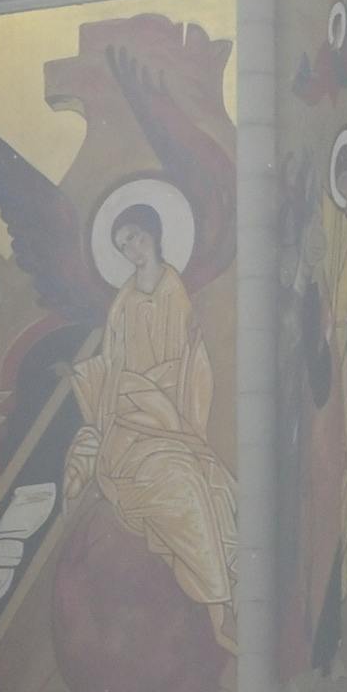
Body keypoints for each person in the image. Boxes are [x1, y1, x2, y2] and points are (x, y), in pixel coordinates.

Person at [68, 195, 238, 647]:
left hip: (167, 418)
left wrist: (148, 396)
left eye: (136, 238)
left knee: (195, 487)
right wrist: (95, 381)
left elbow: (184, 365)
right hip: (128, 423)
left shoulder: (172, 290)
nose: (132, 251)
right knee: (172, 481)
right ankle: (218, 601)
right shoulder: (122, 301)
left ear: (154, 235)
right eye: (123, 245)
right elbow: (112, 363)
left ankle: (220, 603)